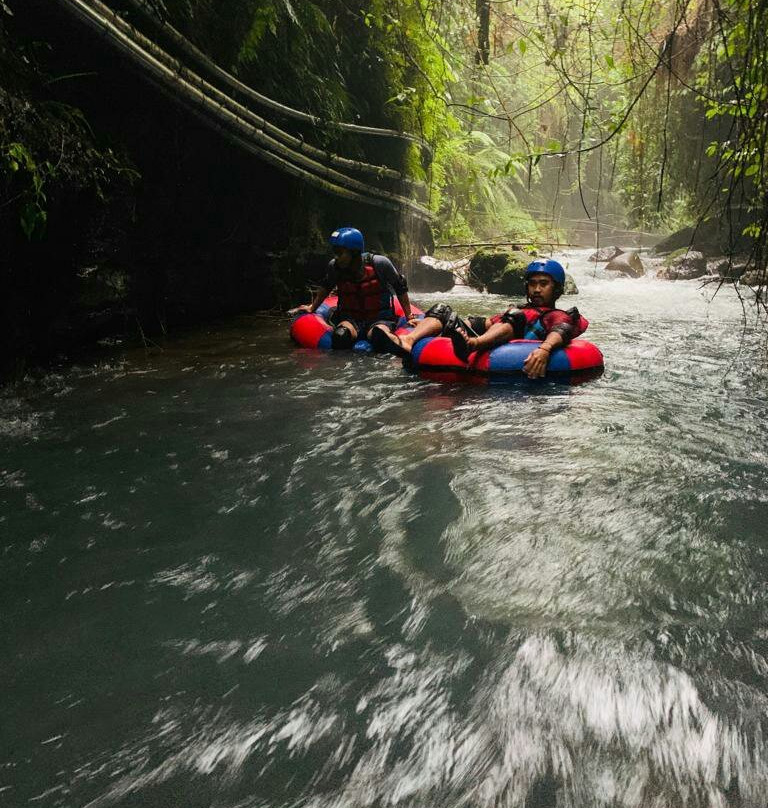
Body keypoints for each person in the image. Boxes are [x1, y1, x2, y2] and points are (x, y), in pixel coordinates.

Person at [377, 258, 587, 378]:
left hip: (504, 348)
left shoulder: (555, 315)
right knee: (442, 310)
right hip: (491, 337)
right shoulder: (521, 308)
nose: (537, 289)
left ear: (557, 290)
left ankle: (472, 345)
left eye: (544, 284)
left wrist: (544, 350)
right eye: (532, 284)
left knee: (514, 316)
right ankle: (409, 340)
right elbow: (485, 323)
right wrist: (449, 327)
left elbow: (561, 330)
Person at [291, 227, 417, 350]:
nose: (336, 257)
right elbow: (326, 287)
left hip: (379, 319)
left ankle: (396, 345)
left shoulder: (380, 264)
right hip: (350, 319)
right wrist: (312, 308)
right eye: (335, 252)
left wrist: (409, 316)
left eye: (340, 253)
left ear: (355, 252)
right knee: (341, 336)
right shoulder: (334, 267)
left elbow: (400, 287)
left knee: (379, 335)